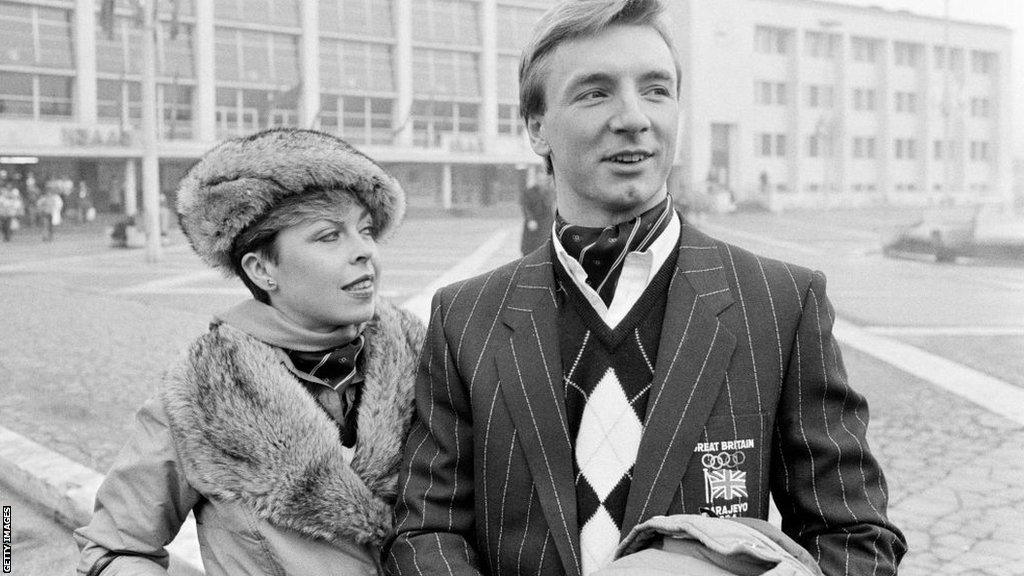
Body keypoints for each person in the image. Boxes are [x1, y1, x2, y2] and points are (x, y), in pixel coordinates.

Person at [384, 2, 906, 576]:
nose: (633, 117)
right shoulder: (466, 316)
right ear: (536, 127)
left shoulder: (780, 302)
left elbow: (856, 536)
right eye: (595, 92)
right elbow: (427, 532)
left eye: (656, 90)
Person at [75, 129, 425, 575]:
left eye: (366, 230)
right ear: (262, 270)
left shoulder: (424, 360)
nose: (364, 252)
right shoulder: (202, 394)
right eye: (329, 236)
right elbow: (114, 549)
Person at [520, 178, 555, 255]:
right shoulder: (529, 191)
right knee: (530, 247)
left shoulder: (549, 191)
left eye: (544, 180)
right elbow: (526, 207)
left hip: (546, 223)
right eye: (540, 179)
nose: (542, 181)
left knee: (545, 245)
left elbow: (549, 205)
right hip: (533, 222)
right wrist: (530, 220)